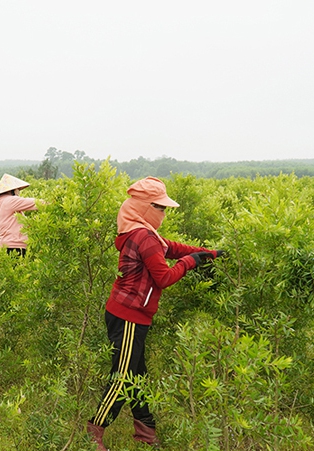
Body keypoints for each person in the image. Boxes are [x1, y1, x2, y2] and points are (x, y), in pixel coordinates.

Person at [87, 176, 224, 450]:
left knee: (137, 376)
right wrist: (190, 262)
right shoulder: (143, 235)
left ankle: (146, 433)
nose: (163, 213)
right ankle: (94, 432)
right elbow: (163, 277)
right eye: (159, 207)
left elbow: (171, 248)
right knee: (124, 376)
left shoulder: (142, 231)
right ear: (144, 207)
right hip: (129, 316)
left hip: (130, 314)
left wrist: (207, 253)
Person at [0, 173, 38, 257]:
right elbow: (36, 203)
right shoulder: (10, 200)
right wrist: (54, 202)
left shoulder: (0, 201)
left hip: (5, 245)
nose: (19, 192)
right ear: (12, 190)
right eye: (18, 189)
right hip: (15, 246)